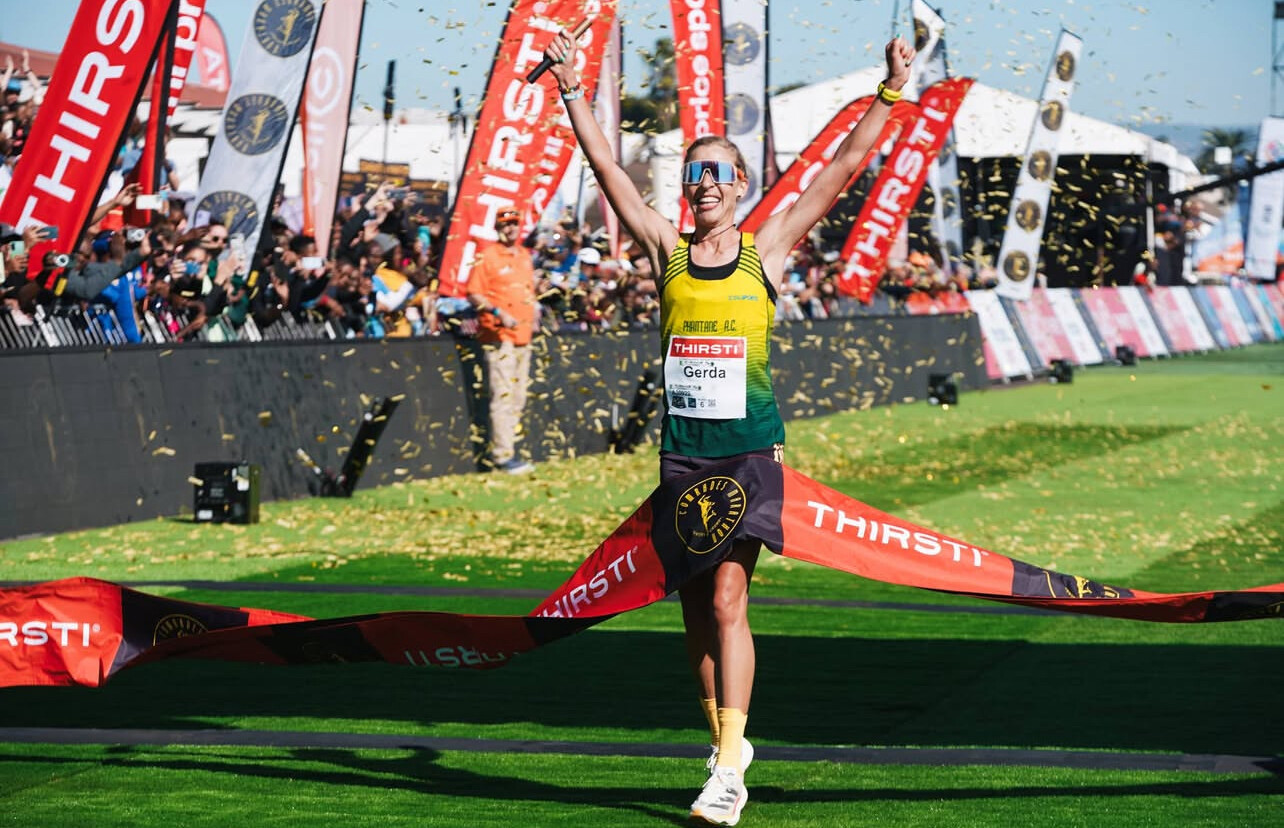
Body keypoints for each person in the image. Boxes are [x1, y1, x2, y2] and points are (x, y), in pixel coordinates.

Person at [545, 30, 915, 826]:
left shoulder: (766, 248)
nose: (704, 182)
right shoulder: (664, 248)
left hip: (749, 451)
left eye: (717, 171)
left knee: (726, 599)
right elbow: (608, 169)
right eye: (694, 172)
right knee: (691, 612)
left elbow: (843, 168)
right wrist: (572, 88)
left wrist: (889, 91)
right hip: (685, 453)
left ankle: (728, 769)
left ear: (741, 184)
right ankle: (726, 749)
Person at [467, 207, 537, 474]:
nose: (510, 228)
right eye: (505, 224)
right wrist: (498, 313)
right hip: (499, 337)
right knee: (503, 396)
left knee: (518, 397)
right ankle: (502, 456)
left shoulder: (524, 256)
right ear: (497, 228)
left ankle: (509, 450)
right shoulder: (487, 255)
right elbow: (473, 293)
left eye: (514, 223)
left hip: (523, 336)